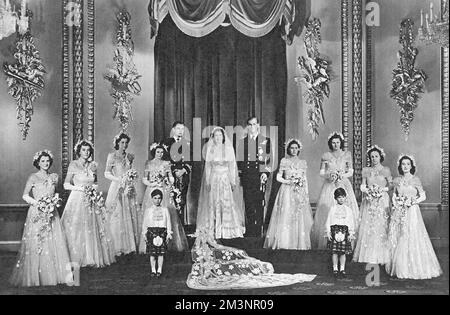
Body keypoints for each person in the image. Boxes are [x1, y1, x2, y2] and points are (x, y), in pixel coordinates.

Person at [10, 150, 72, 287]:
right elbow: (25, 195)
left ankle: (55, 274)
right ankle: (37, 276)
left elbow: (56, 193)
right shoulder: (33, 177)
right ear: (38, 163)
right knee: (39, 241)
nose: (46, 163)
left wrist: (54, 200)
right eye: (43, 161)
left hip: (51, 213)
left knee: (53, 241)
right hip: (37, 212)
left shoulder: (54, 177)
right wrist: (38, 204)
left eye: (48, 161)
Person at [186, 228, 316, 290]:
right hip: (218, 266)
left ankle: (260, 266)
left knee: (243, 259)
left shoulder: (214, 249)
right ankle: (261, 267)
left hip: (223, 263)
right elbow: (203, 260)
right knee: (241, 264)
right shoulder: (200, 262)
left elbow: (221, 249)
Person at [386, 155, 442, 279]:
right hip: (399, 211)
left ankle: (414, 267)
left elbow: (423, 196)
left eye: (407, 164)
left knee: (411, 235)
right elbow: (394, 195)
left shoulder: (415, 180)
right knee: (400, 236)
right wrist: (397, 203)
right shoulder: (397, 180)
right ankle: (402, 267)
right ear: (400, 166)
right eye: (403, 164)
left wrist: (412, 201)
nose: (405, 166)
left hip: (412, 211)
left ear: (411, 166)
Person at [62, 139, 116, 268]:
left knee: (92, 228)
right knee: (76, 228)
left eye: (88, 150)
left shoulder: (93, 165)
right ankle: (75, 257)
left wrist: (93, 191)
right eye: (83, 150)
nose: (86, 152)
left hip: (91, 199)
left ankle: (90, 257)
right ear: (79, 152)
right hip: (77, 199)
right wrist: (81, 189)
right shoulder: (73, 164)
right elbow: (66, 184)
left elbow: (95, 183)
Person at [311, 132, 359, 249]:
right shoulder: (326, 155)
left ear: (341, 143)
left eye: (337, 142)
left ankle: (347, 240)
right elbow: (321, 172)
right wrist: (329, 175)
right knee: (329, 210)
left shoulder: (347, 154)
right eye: (333, 142)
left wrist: (343, 175)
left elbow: (351, 171)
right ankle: (330, 241)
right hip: (330, 185)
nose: (335, 144)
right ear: (330, 143)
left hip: (343, 183)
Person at [196, 127, 245, 239]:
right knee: (214, 202)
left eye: (220, 135)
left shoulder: (228, 149)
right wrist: (208, 180)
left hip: (225, 178)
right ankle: (214, 229)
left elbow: (232, 166)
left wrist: (233, 180)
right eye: (216, 135)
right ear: (213, 137)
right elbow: (208, 166)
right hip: (214, 179)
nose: (218, 138)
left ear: (223, 137)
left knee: (226, 202)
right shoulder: (210, 149)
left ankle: (226, 229)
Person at [264, 139, 313, 250]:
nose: (294, 150)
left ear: (299, 149)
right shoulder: (284, 161)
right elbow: (278, 177)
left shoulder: (302, 162)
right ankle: (285, 242)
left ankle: (298, 243)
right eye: (292, 148)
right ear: (288, 149)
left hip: (299, 192)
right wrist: (288, 181)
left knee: (298, 215)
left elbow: (304, 178)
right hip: (286, 190)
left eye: (296, 148)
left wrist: (306, 192)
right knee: (286, 214)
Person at [139, 143, 188, 253]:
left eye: (161, 152)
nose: (160, 154)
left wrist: (168, 181)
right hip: (152, 190)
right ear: (154, 152)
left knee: (166, 214)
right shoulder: (149, 163)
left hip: (163, 190)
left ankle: (167, 243)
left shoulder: (166, 163)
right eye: (158, 152)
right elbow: (144, 179)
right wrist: (151, 184)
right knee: (151, 214)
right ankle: (150, 242)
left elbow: (171, 177)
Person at [353, 145, 391, 265]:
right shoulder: (366, 170)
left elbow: (391, 185)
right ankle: (368, 254)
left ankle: (382, 255)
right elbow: (362, 185)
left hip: (382, 199)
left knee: (381, 225)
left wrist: (381, 190)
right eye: (372, 156)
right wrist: (368, 190)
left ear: (381, 157)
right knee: (369, 226)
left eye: (376, 156)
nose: (374, 158)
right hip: (369, 199)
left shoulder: (386, 170)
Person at [104, 132, 139, 256]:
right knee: (117, 214)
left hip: (128, 186)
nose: (124, 145)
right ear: (117, 143)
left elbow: (130, 171)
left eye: (126, 143)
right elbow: (106, 173)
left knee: (128, 213)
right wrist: (119, 180)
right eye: (122, 142)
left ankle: (129, 245)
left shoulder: (130, 156)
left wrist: (130, 178)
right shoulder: (112, 156)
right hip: (117, 186)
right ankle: (117, 246)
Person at [237, 117, 272, 237]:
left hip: (259, 176)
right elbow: (240, 161)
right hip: (247, 177)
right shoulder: (243, 142)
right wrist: (241, 175)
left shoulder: (265, 141)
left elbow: (268, 161)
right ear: (247, 127)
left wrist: (265, 173)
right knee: (248, 203)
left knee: (259, 202)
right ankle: (250, 229)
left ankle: (258, 230)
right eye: (250, 125)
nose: (252, 127)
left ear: (258, 125)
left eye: (254, 124)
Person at [161, 121, 192, 225]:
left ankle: (180, 227)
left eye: (182, 129)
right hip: (170, 176)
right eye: (178, 129)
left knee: (181, 200)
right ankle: (170, 226)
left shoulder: (187, 143)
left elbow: (191, 161)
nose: (180, 131)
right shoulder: (166, 143)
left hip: (183, 176)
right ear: (173, 130)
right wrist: (173, 171)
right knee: (170, 200)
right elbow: (163, 160)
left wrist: (183, 171)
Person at [141, 189, 172, 278]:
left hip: (162, 232)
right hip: (151, 232)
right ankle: (153, 270)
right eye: (155, 198)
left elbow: (168, 222)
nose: (157, 200)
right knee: (152, 254)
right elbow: (145, 223)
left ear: (161, 199)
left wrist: (169, 233)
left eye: (159, 198)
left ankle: (159, 269)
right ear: (152, 199)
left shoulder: (165, 210)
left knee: (161, 253)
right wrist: (144, 233)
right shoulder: (148, 210)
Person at [325, 188, 355, 278]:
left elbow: (351, 222)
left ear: (345, 197)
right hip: (335, 231)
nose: (341, 199)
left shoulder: (348, 210)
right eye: (339, 197)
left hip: (345, 231)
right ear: (335, 198)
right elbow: (328, 221)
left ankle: (342, 269)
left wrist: (351, 233)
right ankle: (335, 268)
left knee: (342, 252)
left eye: (343, 197)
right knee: (334, 252)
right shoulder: (332, 209)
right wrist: (328, 232)